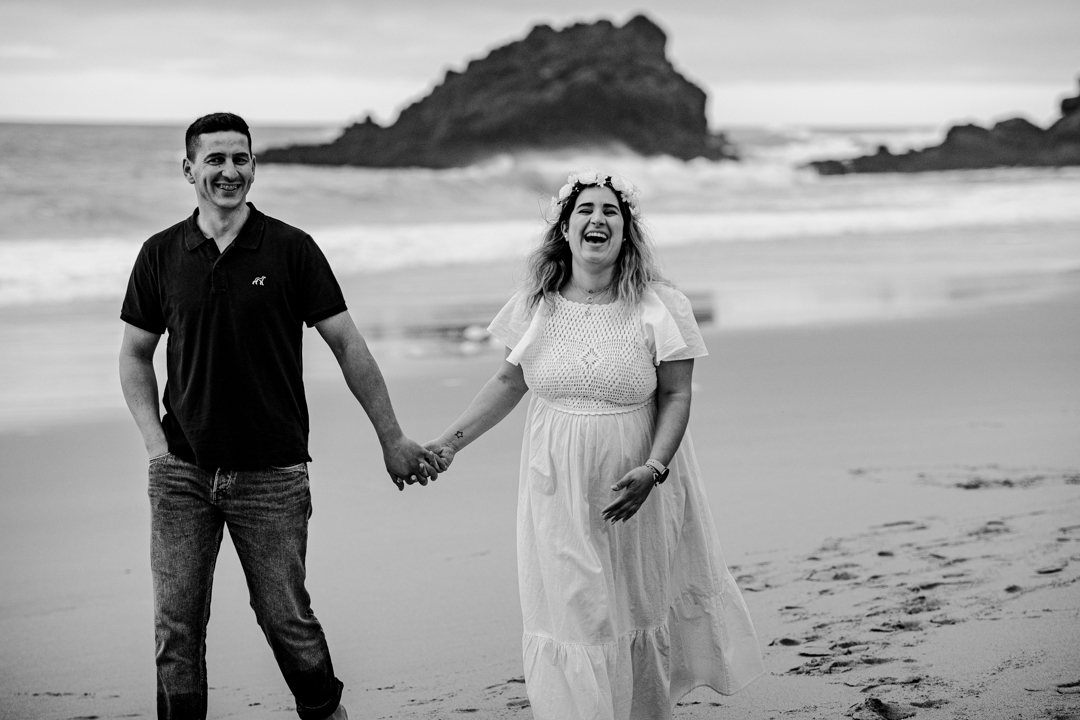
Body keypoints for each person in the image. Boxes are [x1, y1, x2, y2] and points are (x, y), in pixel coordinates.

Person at [118, 112, 437, 720]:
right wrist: (156, 449)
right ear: (188, 169)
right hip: (182, 472)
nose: (228, 171)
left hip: (272, 474)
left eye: (240, 159)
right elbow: (135, 355)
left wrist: (391, 437)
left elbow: (348, 346)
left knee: (285, 618)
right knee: (175, 629)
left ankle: (325, 713)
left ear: (254, 167)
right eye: (214, 159)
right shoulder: (160, 254)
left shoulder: (291, 248)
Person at [425, 170, 764, 719]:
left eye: (610, 211)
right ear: (565, 229)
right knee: (578, 613)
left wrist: (653, 469)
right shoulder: (536, 304)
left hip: (638, 492)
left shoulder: (661, 304)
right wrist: (448, 444)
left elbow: (676, 394)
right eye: (585, 210)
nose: (597, 219)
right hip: (555, 488)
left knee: (636, 609)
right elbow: (509, 382)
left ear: (626, 231)